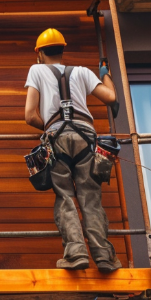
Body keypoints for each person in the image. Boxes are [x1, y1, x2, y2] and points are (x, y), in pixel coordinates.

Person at [24, 29, 122, 272]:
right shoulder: (82, 72)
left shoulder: (36, 70)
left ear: (39, 53)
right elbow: (110, 97)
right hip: (85, 136)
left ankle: (76, 253)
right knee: (90, 197)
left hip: (57, 136)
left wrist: (48, 127)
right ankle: (103, 256)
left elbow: (29, 115)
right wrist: (105, 75)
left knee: (65, 196)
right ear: (62, 49)